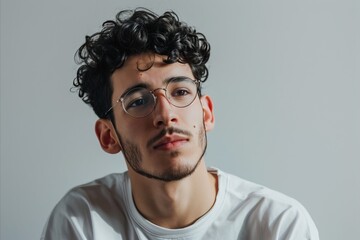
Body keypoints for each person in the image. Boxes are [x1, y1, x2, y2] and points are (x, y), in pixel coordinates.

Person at [41, 8, 319, 240]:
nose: (165, 113)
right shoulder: (82, 220)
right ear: (108, 136)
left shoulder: (278, 225)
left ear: (206, 113)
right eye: (137, 101)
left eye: (181, 92)